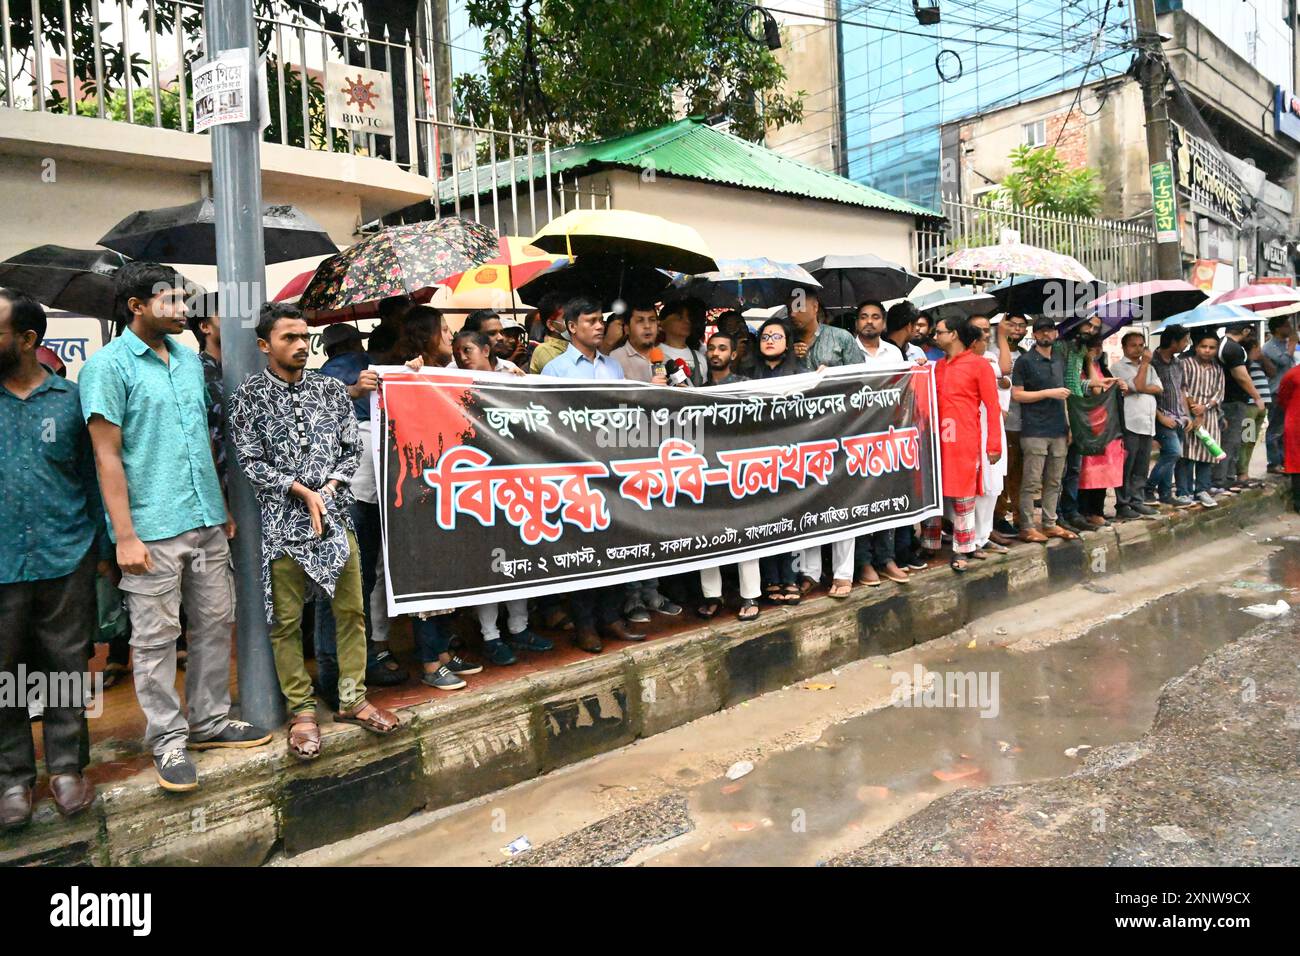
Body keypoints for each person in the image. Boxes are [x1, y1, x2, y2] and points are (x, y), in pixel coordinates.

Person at [80, 262, 270, 793]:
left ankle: (208, 721)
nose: (185, 310)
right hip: (150, 528)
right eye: (171, 301)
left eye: (186, 300)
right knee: (156, 638)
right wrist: (125, 536)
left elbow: (200, 441)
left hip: (206, 518)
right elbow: (106, 456)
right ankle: (167, 738)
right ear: (136, 305)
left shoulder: (188, 362)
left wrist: (222, 506)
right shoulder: (107, 367)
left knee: (214, 623)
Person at [229, 303, 399, 760]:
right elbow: (249, 461)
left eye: (305, 337)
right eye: (289, 338)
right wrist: (300, 491)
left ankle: (352, 699)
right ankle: (302, 711)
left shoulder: (329, 390)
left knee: (350, 611)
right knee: (285, 622)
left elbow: (350, 448)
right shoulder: (248, 396)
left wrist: (331, 485)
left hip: (336, 519)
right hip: (283, 525)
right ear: (265, 345)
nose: (301, 345)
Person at [0, 292, 102, 827]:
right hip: (0, 563)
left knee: (64, 667)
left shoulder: (70, 400)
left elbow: (91, 477)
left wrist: (103, 550)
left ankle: (66, 767)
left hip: (66, 555)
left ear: (27, 340)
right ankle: (13, 778)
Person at [542, 298, 646, 651]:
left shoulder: (612, 368)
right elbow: (547, 421)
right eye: (590, 321)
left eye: (601, 320)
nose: (600, 326)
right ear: (572, 327)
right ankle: (585, 625)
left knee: (615, 544)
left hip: (611, 467)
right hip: (574, 470)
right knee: (583, 549)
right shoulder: (555, 370)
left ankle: (611, 617)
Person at [316, 322, 406, 700]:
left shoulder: (322, 375)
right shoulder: (357, 368)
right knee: (351, 580)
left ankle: (342, 673)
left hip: (351, 491)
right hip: (352, 493)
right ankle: (341, 673)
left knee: (348, 581)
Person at [788, 288, 858, 596]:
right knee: (807, 502)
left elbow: (863, 377)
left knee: (842, 502)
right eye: (790, 307)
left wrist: (833, 375)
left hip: (840, 430)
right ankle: (810, 571)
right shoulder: (784, 341)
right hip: (802, 436)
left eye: (801, 305)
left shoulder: (841, 338)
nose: (795, 312)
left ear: (816, 306)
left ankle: (844, 574)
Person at [921, 316, 1001, 573]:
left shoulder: (980, 366)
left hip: (965, 440)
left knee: (963, 493)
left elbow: (992, 406)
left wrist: (994, 444)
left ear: (953, 334)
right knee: (933, 491)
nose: (935, 336)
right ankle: (929, 542)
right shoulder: (937, 367)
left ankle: (962, 548)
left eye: (940, 332)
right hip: (936, 439)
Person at [696, 331, 760, 622]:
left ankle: (750, 595)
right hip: (708, 470)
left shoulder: (746, 386)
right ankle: (712, 595)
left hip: (740, 469)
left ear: (733, 355)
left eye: (722, 348)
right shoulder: (696, 389)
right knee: (706, 533)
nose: (716, 353)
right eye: (712, 348)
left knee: (745, 533)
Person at [849, 300, 910, 588]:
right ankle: (863, 561)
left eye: (875, 317)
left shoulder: (894, 352)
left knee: (886, 498)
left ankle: (886, 558)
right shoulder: (847, 351)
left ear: (884, 323)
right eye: (864, 317)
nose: (869, 322)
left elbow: (904, 387)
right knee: (860, 499)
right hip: (856, 436)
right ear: (856, 322)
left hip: (888, 434)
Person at [746, 318, 807, 603]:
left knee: (791, 518)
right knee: (765, 520)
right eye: (765, 336)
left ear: (788, 341)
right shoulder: (746, 375)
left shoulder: (801, 372)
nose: (769, 340)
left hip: (791, 457)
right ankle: (771, 578)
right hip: (758, 460)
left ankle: (790, 577)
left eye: (776, 336)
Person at [1011, 318, 1078, 543]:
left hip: (1059, 427)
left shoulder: (1060, 359)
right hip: (1034, 429)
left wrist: (1068, 425)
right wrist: (1048, 393)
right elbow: (1017, 394)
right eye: (1041, 331)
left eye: (1049, 331)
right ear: (1035, 334)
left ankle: (1050, 523)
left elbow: (1065, 396)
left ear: (1056, 333)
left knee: (1054, 480)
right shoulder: (1024, 361)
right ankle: (1027, 526)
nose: (1046, 335)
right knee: (1031, 481)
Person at [883, 302, 929, 571]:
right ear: (910, 326)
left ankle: (906, 546)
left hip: (909, 431)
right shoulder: (887, 352)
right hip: (888, 432)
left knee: (907, 492)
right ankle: (896, 552)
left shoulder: (912, 352)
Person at [1075, 334, 1127, 527]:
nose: (1095, 351)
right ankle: (1084, 511)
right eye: (1091, 347)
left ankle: (1097, 510)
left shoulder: (1102, 367)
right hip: (1087, 426)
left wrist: (1118, 385)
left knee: (1103, 471)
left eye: (1098, 347)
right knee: (1086, 472)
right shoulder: (1079, 369)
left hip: (1106, 426)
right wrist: (1088, 362)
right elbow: (1096, 390)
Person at [967, 314, 1008, 556]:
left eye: (986, 329)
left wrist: (1000, 337)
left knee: (993, 483)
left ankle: (984, 535)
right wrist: (1002, 335)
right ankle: (970, 537)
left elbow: (1004, 372)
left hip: (993, 425)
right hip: (974, 427)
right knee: (976, 485)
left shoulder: (991, 356)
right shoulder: (964, 360)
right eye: (979, 330)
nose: (984, 334)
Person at [1111, 331, 1162, 519]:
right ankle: (1123, 504)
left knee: (1141, 466)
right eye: (1134, 345)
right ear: (1124, 347)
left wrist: (1143, 386)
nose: (1139, 349)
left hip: (1147, 422)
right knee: (1127, 466)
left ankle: (1137, 501)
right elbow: (1138, 386)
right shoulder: (1118, 368)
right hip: (1130, 423)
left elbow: (1158, 388)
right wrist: (1145, 366)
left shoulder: (1150, 368)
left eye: (1141, 345)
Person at [1213, 323, 1266, 493]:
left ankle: (1230, 476)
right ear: (1245, 331)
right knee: (1236, 440)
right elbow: (1241, 375)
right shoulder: (1233, 349)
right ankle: (1225, 478)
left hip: (1234, 401)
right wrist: (1257, 397)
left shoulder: (1224, 345)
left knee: (1240, 440)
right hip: (1236, 402)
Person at [1145, 324, 1195, 507]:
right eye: (1184, 340)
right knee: (1174, 452)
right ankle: (1148, 488)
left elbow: (1182, 389)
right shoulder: (1152, 363)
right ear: (1174, 341)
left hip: (1179, 417)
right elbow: (1147, 393)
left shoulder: (1178, 363)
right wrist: (1160, 417)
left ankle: (1165, 493)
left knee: (1171, 455)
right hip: (1160, 416)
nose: (1187, 344)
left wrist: (1187, 415)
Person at [1179, 330, 1227, 508]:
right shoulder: (1185, 364)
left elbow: (1219, 393)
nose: (1207, 350)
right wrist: (1194, 409)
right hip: (1188, 414)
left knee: (1207, 453)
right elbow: (1182, 388)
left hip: (1210, 415)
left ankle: (1202, 490)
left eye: (1212, 348)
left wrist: (1205, 408)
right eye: (1203, 346)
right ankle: (1183, 492)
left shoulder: (1217, 368)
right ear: (1196, 347)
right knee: (1186, 454)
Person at [993, 313, 1028, 540]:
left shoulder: (1026, 354)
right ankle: (998, 517)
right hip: (1002, 423)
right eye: (1011, 325)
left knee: (1018, 475)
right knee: (1001, 476)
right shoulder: (993, 353)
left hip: (1025, 423)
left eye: (1021, 326)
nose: (1016, 329)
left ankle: (1019, 517)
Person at [1261, 315, 1295, 474]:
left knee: (1285, 428)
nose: (1290, 328)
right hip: (1276, 392)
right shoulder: (1270, 346)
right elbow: (1284, 362)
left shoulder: (1284, 344)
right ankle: (1273, 462)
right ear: (1277, 329)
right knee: (1275, 428)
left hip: (1289, 392)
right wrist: (1292, 345)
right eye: (1286, 325)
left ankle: (1283, 460)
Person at [1240, 329, 1270, 485]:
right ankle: (1242, 473)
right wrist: (1250, 358)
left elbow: (1272, 372)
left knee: (1252, 441)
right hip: (1250, 406)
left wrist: (1262, 357)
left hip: (1262, 405)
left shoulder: (1260, 363)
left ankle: (1245, 470)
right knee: (1246, 438)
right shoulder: (1245, 363)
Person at [613, 302, 668, 384]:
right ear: (627, 329)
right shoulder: (615, 359)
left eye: (652, 320)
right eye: (640, 321)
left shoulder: (666, 358)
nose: (647, 326)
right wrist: (651, 390)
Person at [1272, 361, 1300, 510]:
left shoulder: (1292, 374)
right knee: (1297, 462)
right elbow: (1283, 397)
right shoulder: (1292, 374)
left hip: (1295, 419)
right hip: (1296, 422)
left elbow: (1283, 397)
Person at [658, 300, 706, 385]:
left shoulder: (700, 358)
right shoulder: (653, 355)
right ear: (661, 324)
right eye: (679, 317)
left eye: (689, 318)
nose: (687, 321)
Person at [528, 292, 570, 374]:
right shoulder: (544, 350)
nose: (573, 322)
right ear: (551, 324)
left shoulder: (575, 344)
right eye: (566, 318)